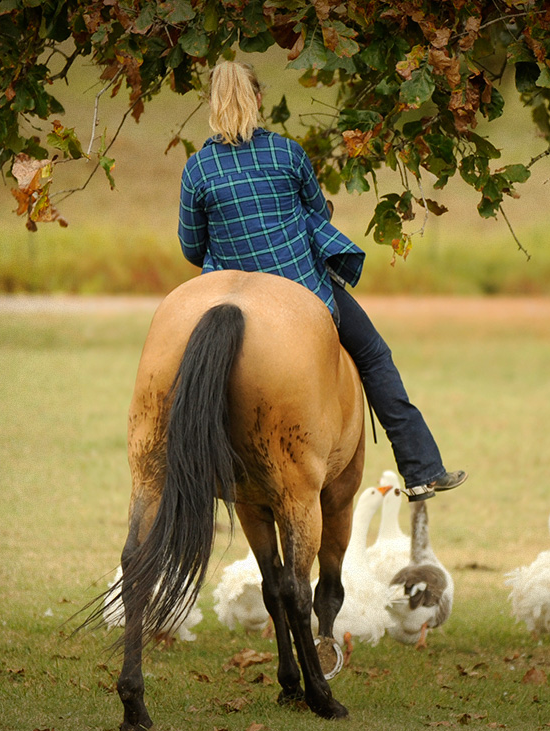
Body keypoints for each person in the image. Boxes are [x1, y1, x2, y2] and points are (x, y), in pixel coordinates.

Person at [177, 60, 466, 502]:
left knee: (185, 373)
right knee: (373, 356)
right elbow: (316, 211)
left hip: (231, 296)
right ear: (258, 99)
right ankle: (421, 468)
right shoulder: (289, 154)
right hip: (303, 289)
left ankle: (184, 477)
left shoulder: (197, 170)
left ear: (212, 105)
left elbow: (191, 248)